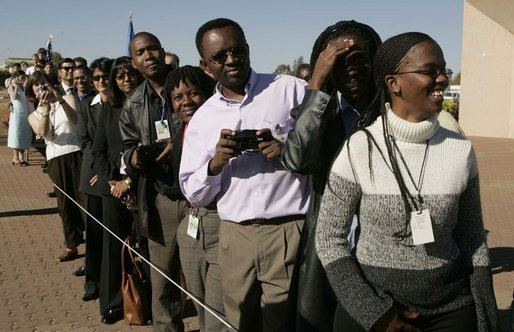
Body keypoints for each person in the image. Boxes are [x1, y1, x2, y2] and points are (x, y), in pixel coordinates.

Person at [315, 32, 500, 332]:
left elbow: (472, 237)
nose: (442, 79)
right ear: (393, 83)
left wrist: (485, 310)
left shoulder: (460, 149)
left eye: (444, 71)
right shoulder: (359, 148)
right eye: (430, 71)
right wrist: (376, 314)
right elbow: (329, 239)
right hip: (374, 307)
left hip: (450, 309)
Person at [179, 18, 309, 331]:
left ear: (248, 50)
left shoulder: (291, 90)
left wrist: (286, 148)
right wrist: (216, 162)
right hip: (235, 236)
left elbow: (324, 149)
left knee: (285, 323)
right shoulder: (203, 118)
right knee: (239, 322)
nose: (231, 60)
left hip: (288, 230)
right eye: (220, 57)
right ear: (205, 65)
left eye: (237, 51)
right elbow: (193, 192)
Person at [281, 20, 382, 331]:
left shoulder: (395, 111)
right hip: (329, 244)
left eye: (358, 59)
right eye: (338, 61)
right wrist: (315, 87)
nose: (350, 69)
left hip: (383, 245)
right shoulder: (320, 111)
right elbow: (296, 159)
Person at [119, 32, 186, 332]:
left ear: (163, 52)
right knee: (163, 283)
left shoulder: (192, 87)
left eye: (153, 48)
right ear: (134, 62)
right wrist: (136, 157)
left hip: (200, 199)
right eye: (141, 51)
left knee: (202, 280)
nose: (148, 55)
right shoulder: (133, 103)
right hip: (161, 200)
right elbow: (127, 148)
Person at [162, 65, 225, 331]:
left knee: (219, 309)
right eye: (178, 97)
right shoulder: (179, 134)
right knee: (199, 302)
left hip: (220, 222)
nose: (186, 102)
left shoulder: (223, 127)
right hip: (191, 224)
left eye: (194, 94)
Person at [90, 56, 141, 325]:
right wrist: (111, 181)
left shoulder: (149, 105)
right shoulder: (109, 109)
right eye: (120, 76)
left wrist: (130, 182)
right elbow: (98, 150)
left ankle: (144, 300)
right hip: (113, 189)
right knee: (114, 247)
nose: (126, 80)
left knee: (142, 247)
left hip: (141, 187)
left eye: (130, 74)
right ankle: (112, 304)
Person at [26, 71, 84, 262]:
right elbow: (44, 132)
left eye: (44, 83)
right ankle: (71, 244)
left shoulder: (67, 98)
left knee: (83, 199)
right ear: (32, 92)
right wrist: (45, 109)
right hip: (55, 158)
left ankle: (93, 241)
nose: (41, 87)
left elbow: (75, 119)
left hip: (76, 152)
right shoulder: (34, 114)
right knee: (65, 203)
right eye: (37, 85)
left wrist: (58, 98)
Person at [77, 58, 114, 312]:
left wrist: (108, 173)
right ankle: (92, 281)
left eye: (105, 77)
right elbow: (85, 141)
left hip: (113, 176)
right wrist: (100, 172)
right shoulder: (86, 106)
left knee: (113, 237)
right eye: (97, 77)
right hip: (92, 176)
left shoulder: (120, 103)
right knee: (95, 233)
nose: (102, 82)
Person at [7, 70, 32, 166]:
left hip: (24, 113)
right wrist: (16, 86)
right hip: (16, 114)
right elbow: (14, 96)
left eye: (24, 77)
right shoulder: (11, 86)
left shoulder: (24, 87)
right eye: (21, 78)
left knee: (23, 134)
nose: (23, 79)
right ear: (16, 77)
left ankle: (21, 157)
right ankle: (15, 157)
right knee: (16, 134)